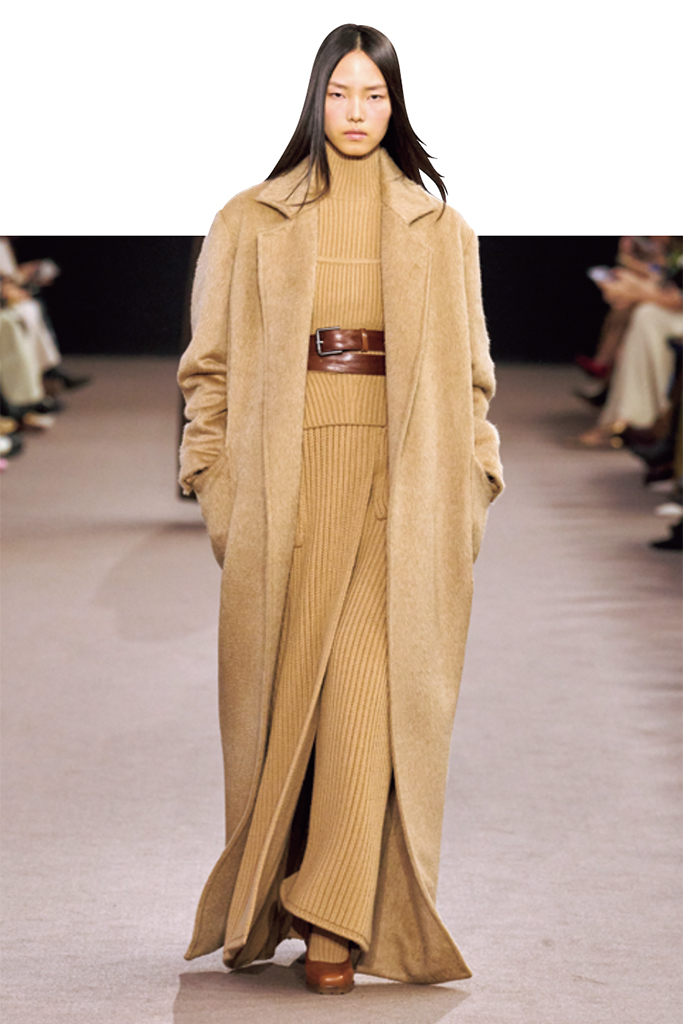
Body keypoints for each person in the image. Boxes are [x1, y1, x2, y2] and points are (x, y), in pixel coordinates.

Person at [177, 24, 503, 995]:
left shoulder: (439, 230)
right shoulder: (248, 220)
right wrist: (214, 483)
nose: (357, 113)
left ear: (395, 106)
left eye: (374, 95)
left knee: (365, 696)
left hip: (402, 491)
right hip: (284, 486)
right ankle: (280, 897)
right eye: (340, 93)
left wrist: (474, 482)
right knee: (293, 710)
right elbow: (207, 369)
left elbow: (472, 379)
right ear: (315, 100)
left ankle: (332, 920)